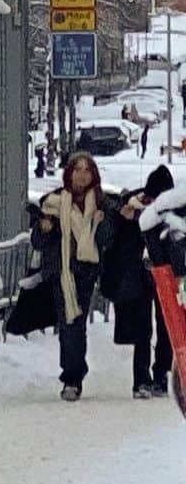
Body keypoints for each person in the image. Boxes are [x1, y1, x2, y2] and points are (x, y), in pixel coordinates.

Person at [33, 150, 116, 401]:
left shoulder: (102, 204)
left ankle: (73, 375)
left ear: (94, 175)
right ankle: (72, 375)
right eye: (76, 169)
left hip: (86, 272)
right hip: (61, 271)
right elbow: (38, 241)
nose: (81, 175)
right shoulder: (54, 203)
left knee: (75, 323)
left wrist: (101, 224)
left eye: (86, 170)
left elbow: (108, 241)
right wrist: (44, 229)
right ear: (68, 173)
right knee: (68, 323)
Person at [102, 164, 174, 398]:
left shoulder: (170, 212)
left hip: (163, 274)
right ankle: (142, 379)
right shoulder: (130, 207)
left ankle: (160, 374)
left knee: (165, 328)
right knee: (144, 329)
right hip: (140, 276)